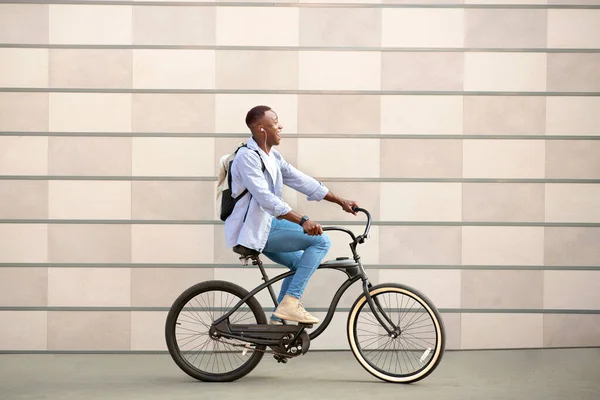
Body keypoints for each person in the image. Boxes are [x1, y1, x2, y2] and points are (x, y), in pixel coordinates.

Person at [224, 105, 359, 325]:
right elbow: (266, 198)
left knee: (299, 265)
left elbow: (302, 180)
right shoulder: (247, 158)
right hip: (255, 230)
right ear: (261, 129)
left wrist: (340, 201)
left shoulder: (273, 156)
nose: (281, 126)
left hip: (267, 226)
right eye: (275, 122)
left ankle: (279, 324)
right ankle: (291, 302)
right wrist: (303, 221)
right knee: (321, 241)